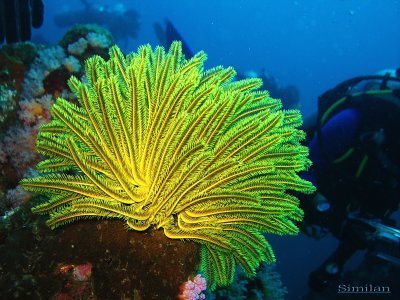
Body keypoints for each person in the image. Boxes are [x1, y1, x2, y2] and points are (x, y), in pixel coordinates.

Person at [300, 68, 400, 293]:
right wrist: (333, 218)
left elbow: (371, 217)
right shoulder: (352, 121)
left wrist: (334, 264)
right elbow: (298, 170)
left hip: (340, 199)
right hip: (295, 188)